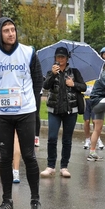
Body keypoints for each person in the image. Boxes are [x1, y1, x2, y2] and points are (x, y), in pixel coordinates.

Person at [0, 17, 43, 209]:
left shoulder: (28, 52)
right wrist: (1, 100)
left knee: (29, 156)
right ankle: (7, 201)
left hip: (25, 112)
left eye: (13, 29)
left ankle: (35, 201)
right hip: (2, 114)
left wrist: (29, 103)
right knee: (5, 158)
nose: (11, 33)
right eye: (6, 30)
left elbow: (37, 81)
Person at [40, 46, 86, 178]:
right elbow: (45, 86)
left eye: (62, 57)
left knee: (67, 140)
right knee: (52, 138)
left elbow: (83, 87)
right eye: (58, 57)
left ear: (67, 59)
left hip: (71, 110)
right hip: (54, 110)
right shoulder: (51, 72)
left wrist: (74, 84)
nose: (60, 60)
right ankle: (50, 166)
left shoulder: (74, 72)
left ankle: (64, 166)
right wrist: (53, 75)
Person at [87, 71, 105, 161]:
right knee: (97, 128)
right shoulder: (103, 75)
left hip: (98, 102)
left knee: (98, 129)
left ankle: (92, 153)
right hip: (98, 101)